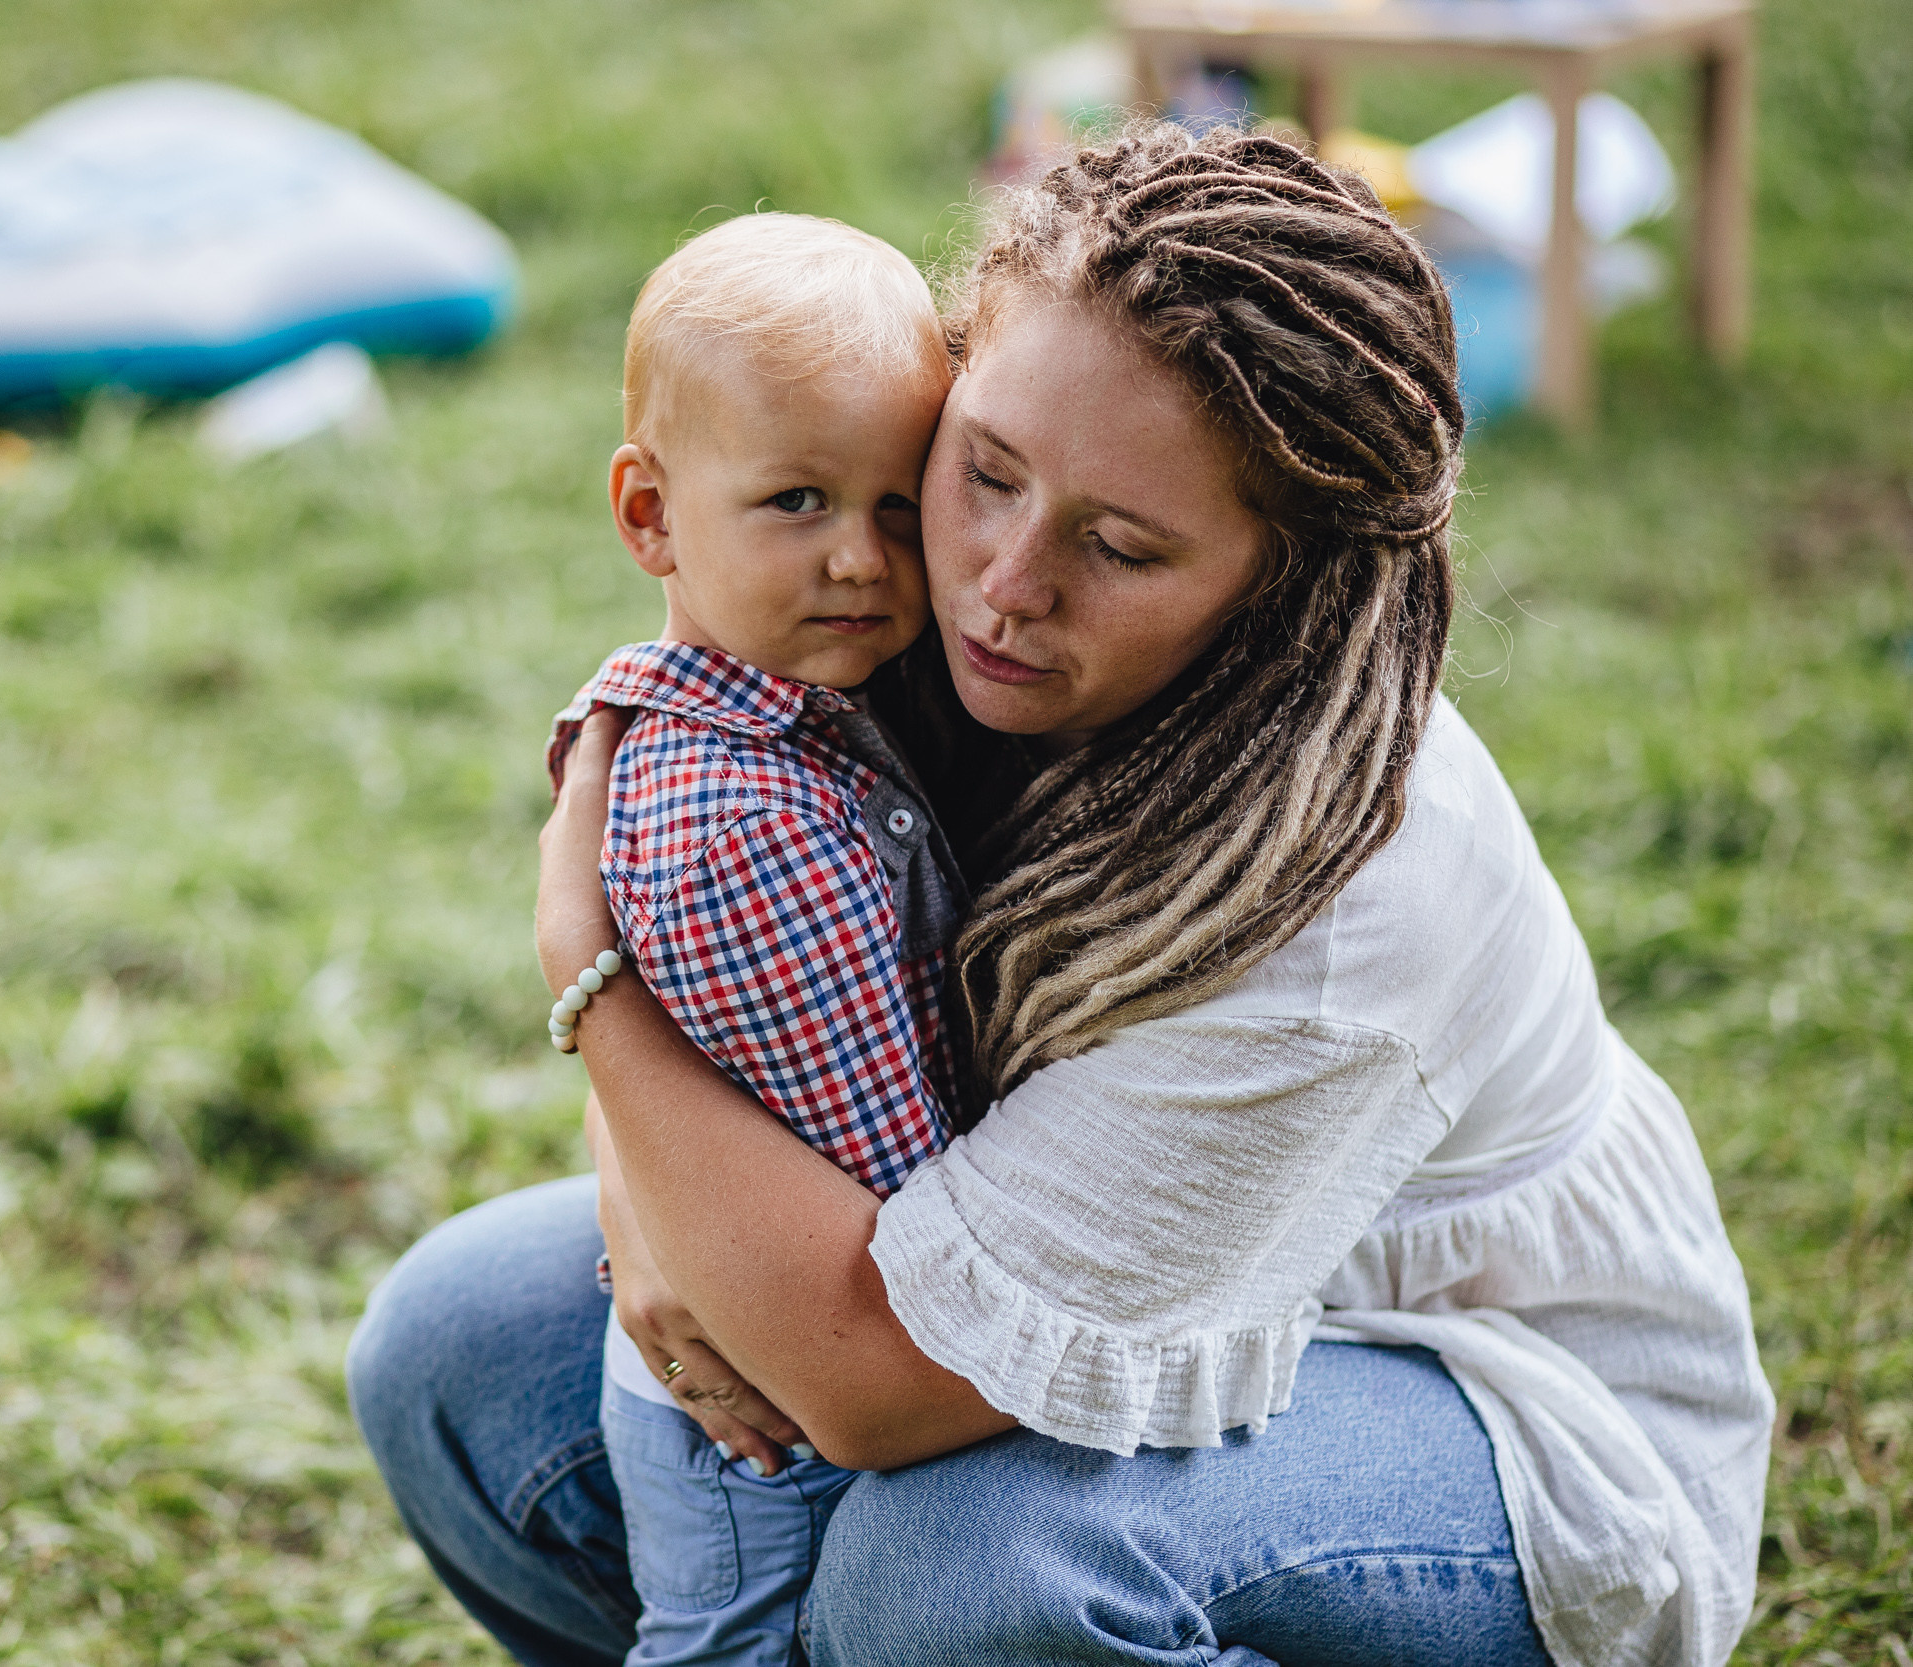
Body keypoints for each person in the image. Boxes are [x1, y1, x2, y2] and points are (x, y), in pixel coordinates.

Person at [348, 124, 1774, 1667]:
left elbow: (874, 1386)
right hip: (1054, 1279)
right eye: (985, 471)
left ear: (1280, 582)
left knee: (960, 1570)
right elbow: (740, 967)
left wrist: (592, 976)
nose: (1004, 581)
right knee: (461, 1346)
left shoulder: (1340, 897)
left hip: (1486, 1416)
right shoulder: (895, 583)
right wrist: (653, 1210)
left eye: (1122, 546)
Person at [544, 212, 964, 1666]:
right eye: (797, 500)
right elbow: (898, 1178)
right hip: (769, 1406)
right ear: (649, 515)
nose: (862, 558)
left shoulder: (792, 707)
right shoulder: (742, 826)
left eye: (901, 506)